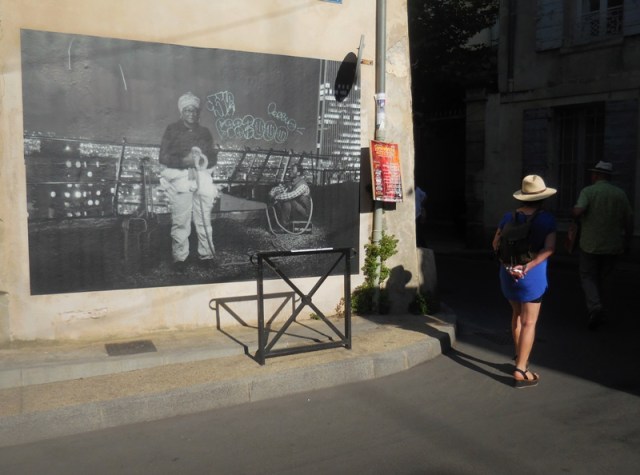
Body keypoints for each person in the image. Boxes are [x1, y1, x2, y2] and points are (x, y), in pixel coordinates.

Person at [492, 175, 557, 388]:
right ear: (542, 197)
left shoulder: (507, 217)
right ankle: (521, 369)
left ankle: (520, 355)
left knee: (517, 315)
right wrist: (528, 266)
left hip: (508, 273)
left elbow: (495, 244)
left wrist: (508, 266)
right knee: (530, 322)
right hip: (532, 276)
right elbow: (549, 248)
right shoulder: (547, 220)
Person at [159, 92, 218, 271]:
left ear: (198, 112)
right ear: (181, 112)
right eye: (187, 110)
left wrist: (202, 160)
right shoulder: (172, 129)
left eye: (194, 110)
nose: (191, 113)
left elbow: (212, 157)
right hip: (179, 178)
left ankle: (206, 255)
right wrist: (184, 161)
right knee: (181, 220)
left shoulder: (204, 132)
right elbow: (163, 157)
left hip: (201, 177)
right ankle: (180, 258)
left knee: (204, 219)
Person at [572, 161, 633, 330]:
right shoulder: (620, 194)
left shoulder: (588, 191)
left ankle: (595, 307)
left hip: (590, 243)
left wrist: (575, 213)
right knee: (606, 277)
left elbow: (578, 211)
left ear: (596, 175)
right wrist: (627, 241)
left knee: (587, 276)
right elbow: (629, 220)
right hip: (613, 244)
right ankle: (603, 308)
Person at [268, 163, 311, 228]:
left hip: (303, 213)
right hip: (295, 209)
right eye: (290, 169)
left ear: (298, 173)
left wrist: (275, 197)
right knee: (284, 199)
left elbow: (290, 195)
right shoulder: (291, 183)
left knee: (287, 201)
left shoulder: (303, 185)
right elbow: (278, 188)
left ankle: (283, 226)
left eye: (293, 169)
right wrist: (272, 193)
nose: (290, 171)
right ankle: (283, 225)